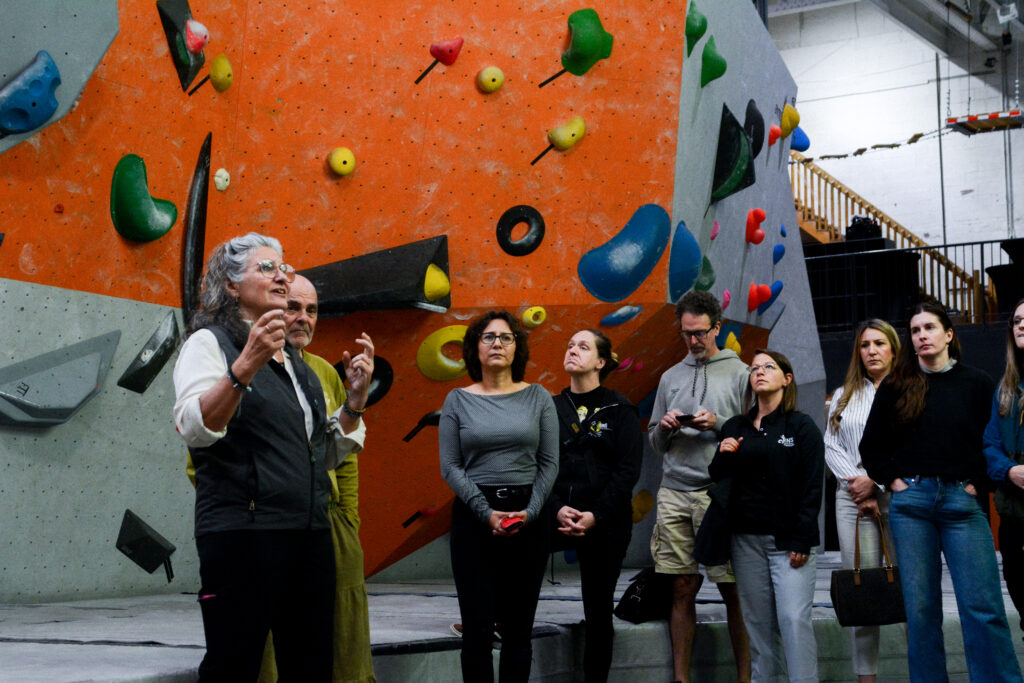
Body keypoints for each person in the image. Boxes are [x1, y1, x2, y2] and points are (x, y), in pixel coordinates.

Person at [173, 233, 351, 681]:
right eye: (266, 267)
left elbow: (318, 455)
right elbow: (194, 427)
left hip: (308, 533)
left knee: (311, 669)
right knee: (234, 667)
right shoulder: (209, 344)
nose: (282, 276)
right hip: (243, 535)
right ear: (232, 285)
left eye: (283, 267)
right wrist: (245, 366)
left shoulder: (296, 362)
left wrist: (354, 406)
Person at [860, 301, 1022, 682]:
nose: (922, 336)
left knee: (983, 607)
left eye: (929, 328)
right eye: (915, 330)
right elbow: (871, 447)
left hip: (962, 502)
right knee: (921, 613)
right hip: (911, 505)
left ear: (948, 334)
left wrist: (977, 484)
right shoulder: (897, 385)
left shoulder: (977, 383)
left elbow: (992, 444)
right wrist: (894, 481)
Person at [256, 274, 377, 683]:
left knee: (338, 641)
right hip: (264, 527)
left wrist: (347, 518)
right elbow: (204, 459)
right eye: (293, 307)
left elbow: (344, 459)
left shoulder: (323, 371)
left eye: (312, 310)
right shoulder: (241, 364)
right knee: (268, 643)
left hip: (327, 523)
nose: (303, 319)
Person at [439, 310, 558, 683]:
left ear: (516, 347)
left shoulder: (539, 396)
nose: (497, 344)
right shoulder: (457, 399)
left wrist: (530, 512)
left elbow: (550, 463)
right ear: (475, 347)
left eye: (506, 337)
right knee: (476, 632)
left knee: (518, 633)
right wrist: (485, 512)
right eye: (488, 337)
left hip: (529, 517)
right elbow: (450, 466)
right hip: (475, 519)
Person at [648, 291, 751, 683]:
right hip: (674, 490)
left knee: (733, 589)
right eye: (686, 333)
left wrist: (719, 423)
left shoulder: (741, 373)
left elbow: (753, 437)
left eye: (700, 333)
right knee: (681, 587)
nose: (693, 340)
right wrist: (665, 427)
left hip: (719, 493)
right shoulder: (670, 377)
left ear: (717, 328)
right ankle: (681, 679)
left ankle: (745, 678)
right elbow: (655, 443)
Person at [710, 350, 823, 683]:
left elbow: (813, 486)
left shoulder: (801, 426)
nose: (759, 372)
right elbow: (718, 475)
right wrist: (723, 454)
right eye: (754, 368)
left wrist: (802, 537)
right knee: (758, 627)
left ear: (786, 379)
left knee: (793, 621)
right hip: (745, 541)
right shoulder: (736, 426)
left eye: (768, 367)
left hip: (789, 542)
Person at [549, 329, 643, 683]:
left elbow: (627, 471)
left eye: (583, 346)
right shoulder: (550, 408)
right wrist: (557, 507)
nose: (573, 350)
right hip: (557, 512)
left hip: (605, 520)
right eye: (570, 345)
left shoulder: (620, 409)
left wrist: (595, 515)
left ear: (601, 362)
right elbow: (539, 465)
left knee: (598, 609)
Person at [823, 320, 899, 683]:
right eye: (865, 345)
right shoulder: (844, 394)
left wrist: (876, 481)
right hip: (852, 499)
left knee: (911, 586)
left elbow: (911, 444)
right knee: (863, 588)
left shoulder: (909, 390)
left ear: (893, 349)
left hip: (899, 495)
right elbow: (831, 445)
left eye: (879, 343)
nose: (871, 350)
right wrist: (858, 487)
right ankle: (866, 678)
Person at [984, 298, 1024, 633]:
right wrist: (1009, 471)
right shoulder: (1007, 387)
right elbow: (990, 444)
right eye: (1017, 321)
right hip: (1014, 513)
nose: (1021, 325)